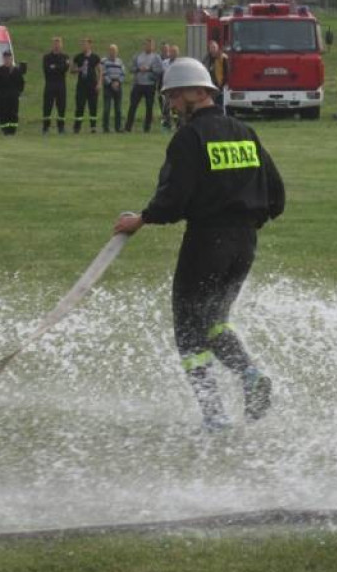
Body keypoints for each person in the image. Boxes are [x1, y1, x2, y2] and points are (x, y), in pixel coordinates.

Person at [112, 58, 285, 432]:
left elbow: (171, 200)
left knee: (188, 331)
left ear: (198, 93)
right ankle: (251, 375)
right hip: (244, 245)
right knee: (214, 322)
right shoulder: (244, 131)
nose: (172, 104)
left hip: (208, 241)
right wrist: (247, 221)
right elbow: (277, 195)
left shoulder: (190, 138)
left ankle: (214, 416)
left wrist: (141, 219)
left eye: (175, 96)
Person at [124, 38, 162, 133]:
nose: (148, 47)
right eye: (146, 45)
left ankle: (147, 128)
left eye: (150, 45)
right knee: (133, 106)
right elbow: (131, 68)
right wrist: (138, 69)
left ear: (153, 47)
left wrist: (149, 69)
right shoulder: (138, 56)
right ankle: (128, 127)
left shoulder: (156, 57)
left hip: (150, 85)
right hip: (138, 84)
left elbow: (160, 70)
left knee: (149, 107)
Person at [71, 37, 101, 134]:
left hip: (92, 85)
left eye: (85, 44)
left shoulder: (95, 57)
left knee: (93, 106)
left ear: (89, 45)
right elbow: (72, 70)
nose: (83, 46)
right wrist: (79, 69)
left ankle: (93, 127)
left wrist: (99, 83)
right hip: (81, 86)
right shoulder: (78, 57)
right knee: (80, 106)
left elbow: (100, 71)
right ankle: (77, 127)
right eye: (82, 44)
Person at [0, 50, 25, 136]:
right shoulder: (0, 71)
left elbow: (21, 83)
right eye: (5, 58)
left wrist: (18, 92)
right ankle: (5, 130)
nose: (7, 60)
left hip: (13, 96)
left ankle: (12, 130)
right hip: (3, 96)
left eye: (9, 58)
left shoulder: (16, 71)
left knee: (13, 113)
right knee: (4, 113)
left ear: (11, 58)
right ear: (3, 59)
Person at [42, 36, 70, 135]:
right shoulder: (47, 57)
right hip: (50, 84)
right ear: (52, 45)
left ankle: (61, 127)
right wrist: (58, 67)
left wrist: (54, 67)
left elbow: (65, 68)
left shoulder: (65, 57)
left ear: (61, 45)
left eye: (58, 44)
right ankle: (45, 127)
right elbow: (47, 70)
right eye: (55, 44)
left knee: (61, 106)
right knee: (47, 106)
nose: (56, 46)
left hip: (61, 85)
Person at [102, 43, 126, 133]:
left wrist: (118, 82)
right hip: (108, 86)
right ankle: (105, 127)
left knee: (118, 108)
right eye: (111, 50)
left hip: (118, 85)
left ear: (117, 52)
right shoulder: (104, 61)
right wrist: (111, 83)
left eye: (115, 51)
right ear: (109, 51)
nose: (113, 52)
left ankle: (118, 127)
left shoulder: (120, 61)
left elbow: (123, 73)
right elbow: (103, 73)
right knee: (107, 108)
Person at [203, 40, 228, 109]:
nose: (212, 49)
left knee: (219, 103)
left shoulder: (223, 58)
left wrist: (223, 84)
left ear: (217, 48)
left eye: (214, 47)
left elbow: (227, 72)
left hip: (220, 85)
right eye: (211, 48)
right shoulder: (207, 58)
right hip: (210, 84)